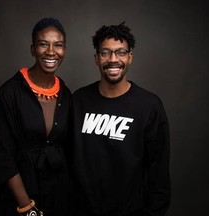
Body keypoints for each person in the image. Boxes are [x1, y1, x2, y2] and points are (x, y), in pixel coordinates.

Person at [71, 22, 170, 216]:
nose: (113, 59)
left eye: (120, 52)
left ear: (130, 57)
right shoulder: (78, 100)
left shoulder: (149, 106)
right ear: (96, 58)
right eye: (105, 52)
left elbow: (159, 174)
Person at [0, 17, 72, 216]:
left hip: (58, 197)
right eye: (43, 44)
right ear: (33, 49)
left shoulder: (66, 94)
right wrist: (26, 208)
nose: (51, 52)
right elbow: (1, 155)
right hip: (21, 200)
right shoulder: (10, 92)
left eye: (58, 45)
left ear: (64, 50)